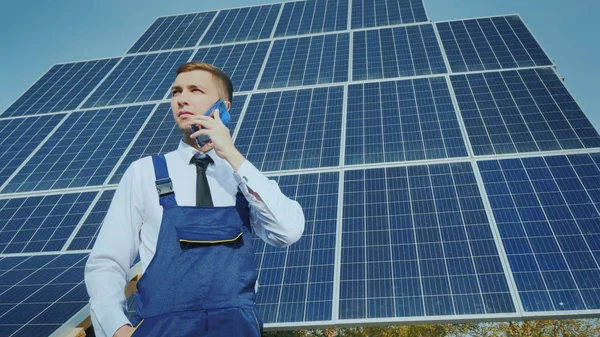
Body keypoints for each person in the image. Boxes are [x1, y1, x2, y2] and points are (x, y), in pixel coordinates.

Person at [85, 62, 305, 337]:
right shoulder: (144, 173)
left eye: (195, 90)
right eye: (176, 92)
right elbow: (106, 262)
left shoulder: (244, 178)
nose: (182, 99)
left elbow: (288, 231)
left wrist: (234, 157)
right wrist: (117, 329)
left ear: (223, 106)